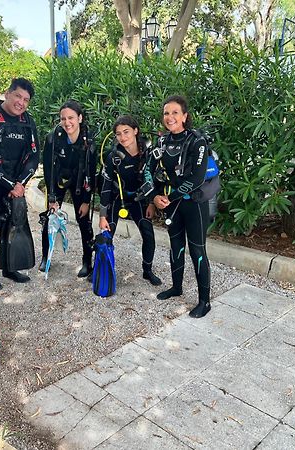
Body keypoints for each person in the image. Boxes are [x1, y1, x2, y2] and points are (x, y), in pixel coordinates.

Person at [151, 95, 211, 318]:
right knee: (176, 246)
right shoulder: (162, 142)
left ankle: (204, 301)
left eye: (175, 112)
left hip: (194, 204)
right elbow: (151, 171)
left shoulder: (197, 142)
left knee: (197, 250)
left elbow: (196, 178)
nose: (170, 117)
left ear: (185, 116)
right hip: (171, 204)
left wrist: (170, 197)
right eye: (166, 113)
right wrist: (155, 196)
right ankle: (176, 288)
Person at [0, 78, 40, 283]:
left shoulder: (27, 122)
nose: (21, 102)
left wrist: (20, 183)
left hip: (16, 184)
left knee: (14, 222)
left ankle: (10, 268)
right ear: (7, 94)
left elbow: (34, 156)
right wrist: (11, 184)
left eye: (26, 99)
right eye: (18, 96)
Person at [99, 115, 162, 286]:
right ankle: (103, 269)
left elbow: (154, 180)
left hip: (138, 199)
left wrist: (151, 203)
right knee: (106, 235)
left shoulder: (149, 152)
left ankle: (147, 270)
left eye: (126, 132)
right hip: (116, 198)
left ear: (135, 131)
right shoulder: (114, 156)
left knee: (148, 234)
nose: (123, 137)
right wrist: (102, 215)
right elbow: (105, 185)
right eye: (118, 134)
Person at [40, 100, 96, 277]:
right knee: (50, 218)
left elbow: (91, 173)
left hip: (81, 181)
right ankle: (45, 256)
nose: (67, 122)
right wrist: (52, 198)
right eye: (63, 118)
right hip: (59, 178)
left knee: (84, 221)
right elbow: (48, 168)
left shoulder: (89, 140)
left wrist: (87, 201)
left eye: (71, 118)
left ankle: (87, 262)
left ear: (80, 118)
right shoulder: (53, 138)